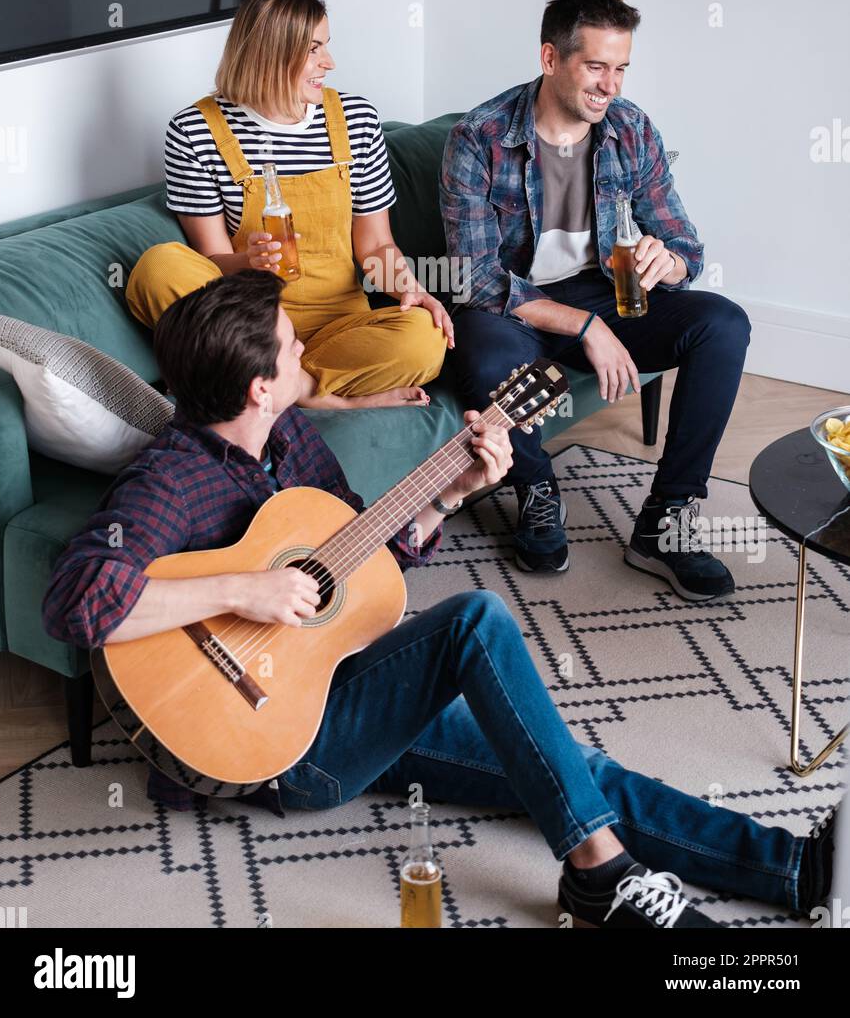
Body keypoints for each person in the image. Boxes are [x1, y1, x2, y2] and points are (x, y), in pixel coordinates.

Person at [42, 272, 835, 929]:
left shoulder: (290, 442)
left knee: (567, 769)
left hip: (334, 681)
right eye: (291, 346)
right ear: (258, 386)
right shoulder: (171, 479)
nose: (305, 348)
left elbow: (357, 568)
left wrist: (447, 495)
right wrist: (245, 588)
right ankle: (598, 879)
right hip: (268, 748)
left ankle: (796, 868)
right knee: (475, 619)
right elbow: (76, 603)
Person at [441, 0, 751, 598]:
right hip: (510, 306)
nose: (610, 86)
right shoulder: (479, 139)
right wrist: (589, 328)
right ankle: (536, 491)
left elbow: (686, 242)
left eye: (621, 68)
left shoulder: (630, 128)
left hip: (600, 291)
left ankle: (667, 520)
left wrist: (670, 261)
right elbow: (475, 279)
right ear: (551, 58)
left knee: (724, 324)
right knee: (491, 353)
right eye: (596, 67)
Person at [126, 0, 451, 410]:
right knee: (159, 266)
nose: (329, 63)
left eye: (326, 46)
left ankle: (275, 386)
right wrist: (248, 262)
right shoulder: (194, 131)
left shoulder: (356, 118)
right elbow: (211, 261)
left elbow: (375, 244)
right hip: (247, 324)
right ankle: (321, 396)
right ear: (270, 53)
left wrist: (411, 289)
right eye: (314, 49)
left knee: (424, 340)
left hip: (341, 326)